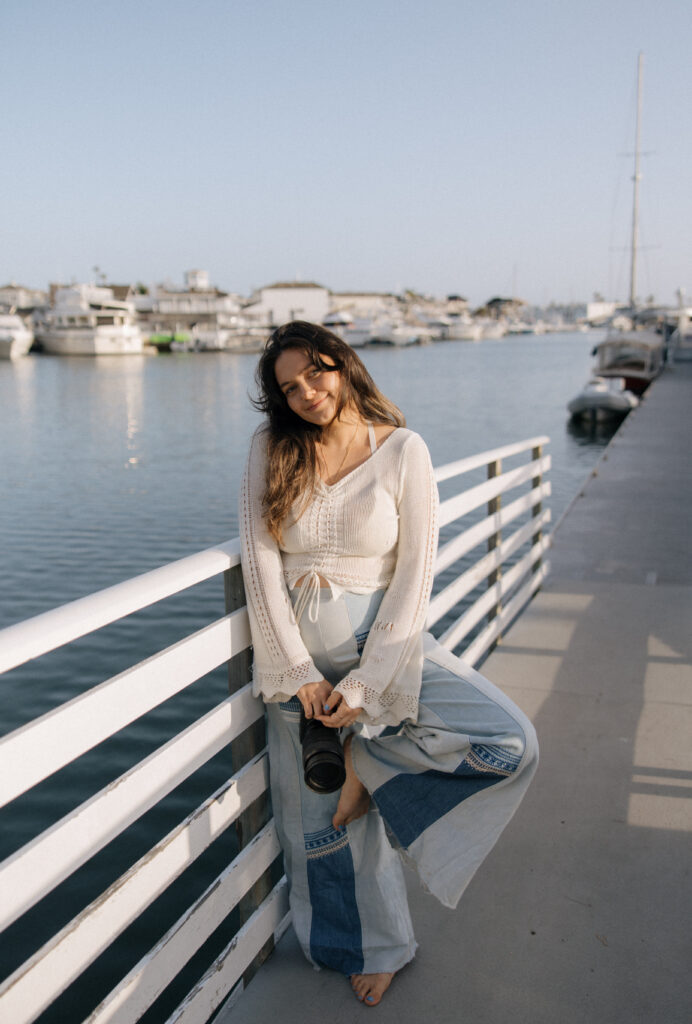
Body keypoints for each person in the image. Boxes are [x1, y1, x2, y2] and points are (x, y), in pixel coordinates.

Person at [239, 321, 538, 1007]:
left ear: (342, 365)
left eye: (315, 373)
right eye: (289, 387)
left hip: (389, 653)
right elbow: (260, 563)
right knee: (319, 830)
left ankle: (372, 769)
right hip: (299, 675)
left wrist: (370, 683)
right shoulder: (270, 449)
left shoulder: (402, 449)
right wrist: (299, 671)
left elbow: (415, 574)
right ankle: (366, 947)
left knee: (510, 742)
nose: (306, 392)